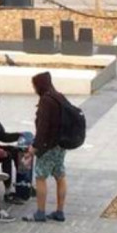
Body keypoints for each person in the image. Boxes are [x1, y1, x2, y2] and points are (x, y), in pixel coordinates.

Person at [23, 72, 67, 223]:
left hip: (48, 146)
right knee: (60, 176)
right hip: (61, 145)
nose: (34, 89)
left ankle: (40, 212)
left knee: (40, 177)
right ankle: (60, 211)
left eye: (34, 86)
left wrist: (34, 148)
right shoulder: (59, 97)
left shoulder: (46, 102)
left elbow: (43, 129)